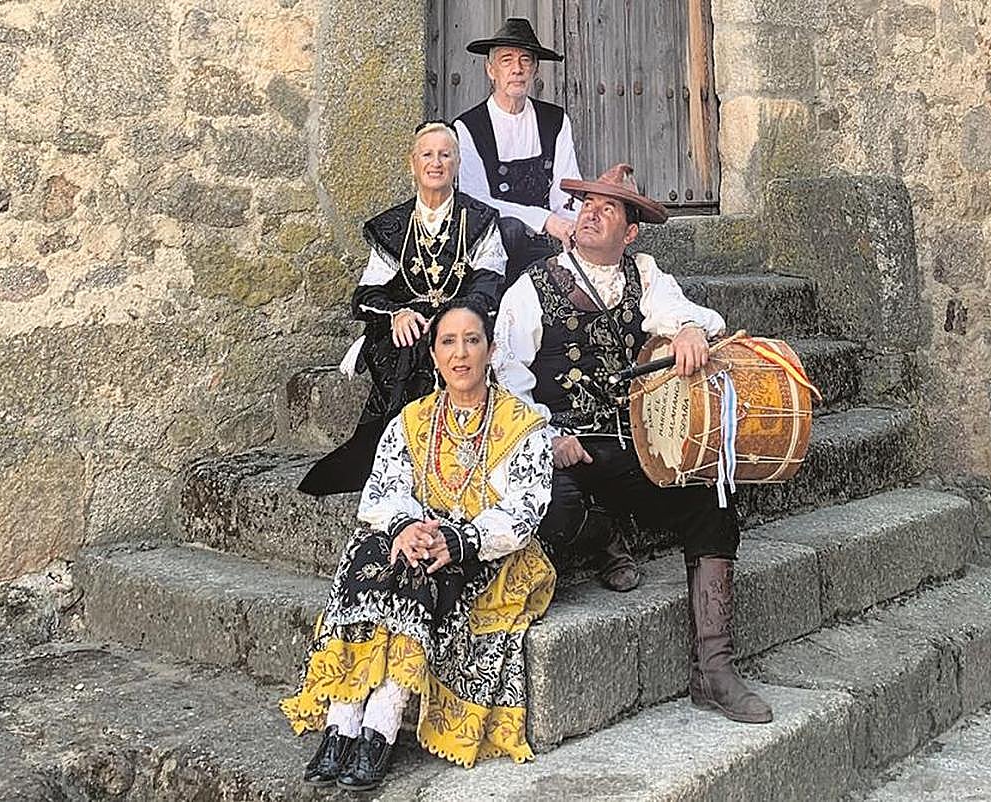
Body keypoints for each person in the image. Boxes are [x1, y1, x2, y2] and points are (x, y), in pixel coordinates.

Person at [493, 163, 774, 724]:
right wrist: (545, 436)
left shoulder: (643, 274)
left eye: (608, 209)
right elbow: (505, 374)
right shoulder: (534, 284)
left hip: (631, 446)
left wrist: (690, 330)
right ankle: (600, 530)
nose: (591, 213)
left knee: (711, 495)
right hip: (563, 445)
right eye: (586, 205)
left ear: (630, 232)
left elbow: (685, 316)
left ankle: (713, 669)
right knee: (555, 509)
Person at [281, 297, 557, 791]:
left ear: (490, 350)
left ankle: (379, 728)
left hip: (488, 552)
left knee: (424, 571)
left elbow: (526, 507)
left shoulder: (523, 425)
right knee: (369, 555)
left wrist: (460, 537)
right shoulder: (411, 420)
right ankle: (341, 724)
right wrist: (406, 526)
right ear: (433, 355)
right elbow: (382, 493)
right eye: (448, 342)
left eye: (472, 340)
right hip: (421, 535)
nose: (460, 353)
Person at [298, 122, 507, 496]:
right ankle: (404, 456)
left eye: (445, 155)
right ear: (413, 163)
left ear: (457, 163)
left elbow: (488, 284)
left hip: (461, 328)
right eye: (427, 154)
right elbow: (366, 294)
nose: (436, 162)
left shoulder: (479, 220)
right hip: (406, 335)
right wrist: (398, 314)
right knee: (406, 347)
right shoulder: (393, 226)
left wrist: (447, 321)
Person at [454, 17, 581, 288]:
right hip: (492, 249)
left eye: (526, 60)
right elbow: (476, 202)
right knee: (510, 229)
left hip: (545, 243)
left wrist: (572, 230)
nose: (517, 69)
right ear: (491, 70)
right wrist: (544, 220)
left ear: (535, 69)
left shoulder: (555, 120)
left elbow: (567, 189)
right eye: (507, 60)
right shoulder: (468, 127)